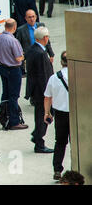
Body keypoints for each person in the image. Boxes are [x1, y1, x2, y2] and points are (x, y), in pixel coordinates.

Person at [0, 19, 27, 130]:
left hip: (2, 68)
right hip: (13, 70)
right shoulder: (13, 41)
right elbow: (18, 58)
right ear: (14, 27)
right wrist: (23, 57)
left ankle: (4, 117)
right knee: (14, 96)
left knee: (5, 94)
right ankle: (14, 121)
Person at [25, 26, 54, 154]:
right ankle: (39, 140)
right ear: (45, 38)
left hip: (35, 90)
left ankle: (37, 135)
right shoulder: (41, 53)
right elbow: (43, 75)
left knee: (40, 115)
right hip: (42, 92)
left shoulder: (31, 49)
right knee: (44, 115)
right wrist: (48, 94)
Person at [43, 51, 69, 181]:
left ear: (61, 62)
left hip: (60, 115)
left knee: (60, 142)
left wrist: (47, 113)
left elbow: (47, 97)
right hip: (77, 113)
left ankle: (57, 169)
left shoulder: (54, 77)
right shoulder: (80, 75)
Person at [15, 9, 54, 74]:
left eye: (33, 16)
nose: (32, 19)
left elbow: (47, 42)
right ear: (26, 18)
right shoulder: (21, 30)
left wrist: (51, 55)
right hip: (30, 58)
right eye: (29, 17)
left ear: (36, 17)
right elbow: (18, 45)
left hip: (42, 55)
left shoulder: (41, 26)